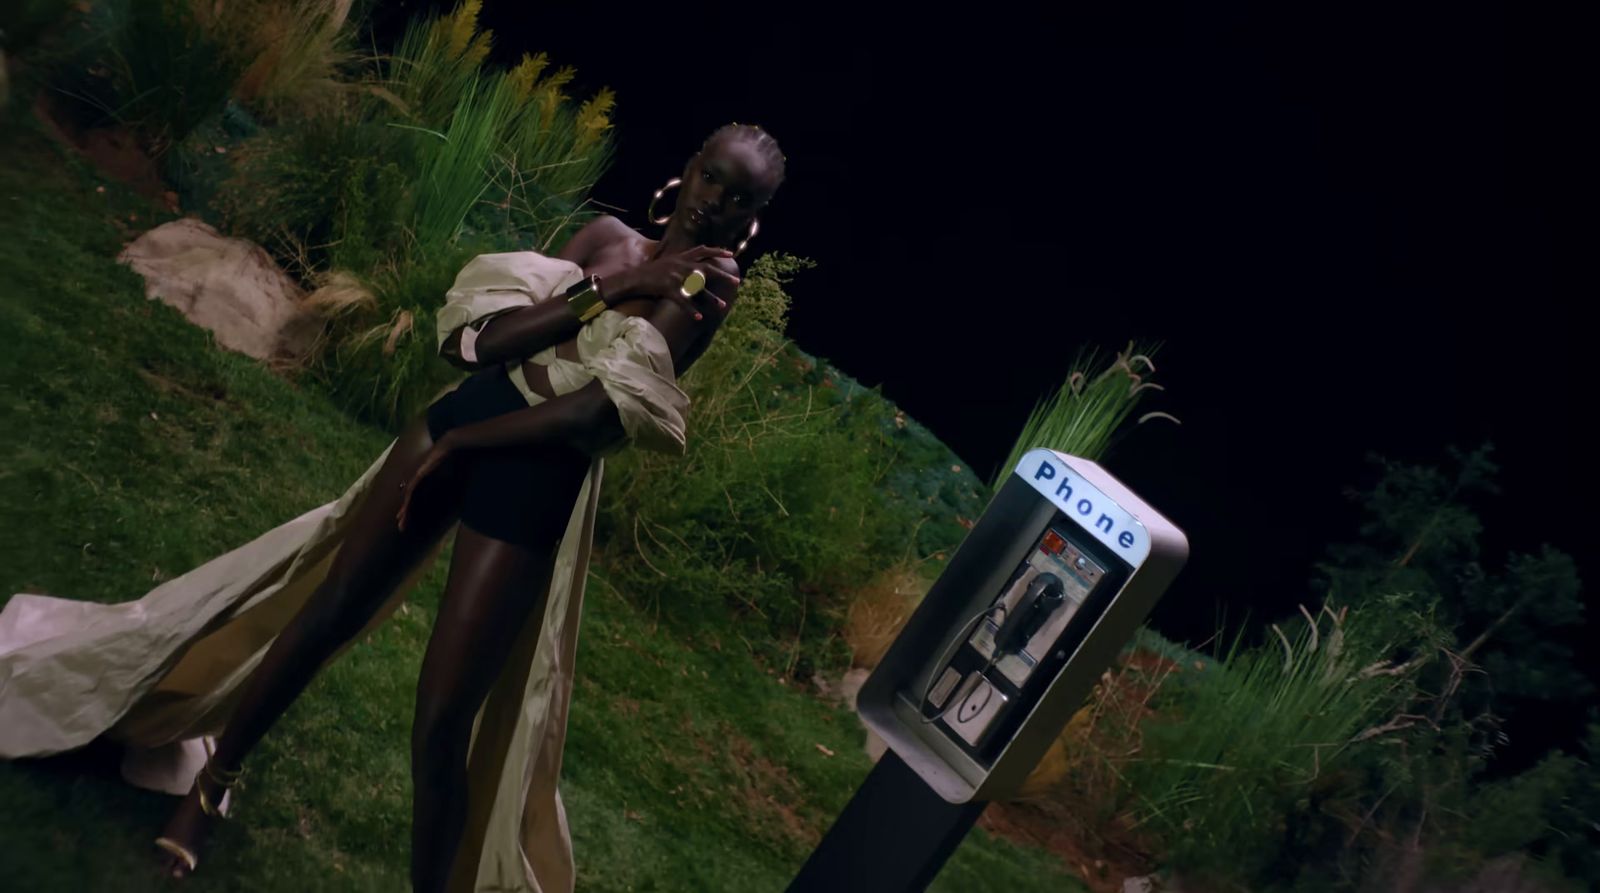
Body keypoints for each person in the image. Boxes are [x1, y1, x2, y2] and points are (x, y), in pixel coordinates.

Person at [0, 123, 785, 893]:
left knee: (443, 720)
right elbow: (482, 343)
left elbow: (593, 419)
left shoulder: (706, 288)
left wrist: (470, 445)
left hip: (533, 478)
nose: (714, 202)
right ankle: (208, 789)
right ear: (688, 166)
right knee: (328, 606)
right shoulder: (606, 237)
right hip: (465, 417)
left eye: (739, 196)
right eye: (712, 175)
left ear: (751, 220)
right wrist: (609, 290)